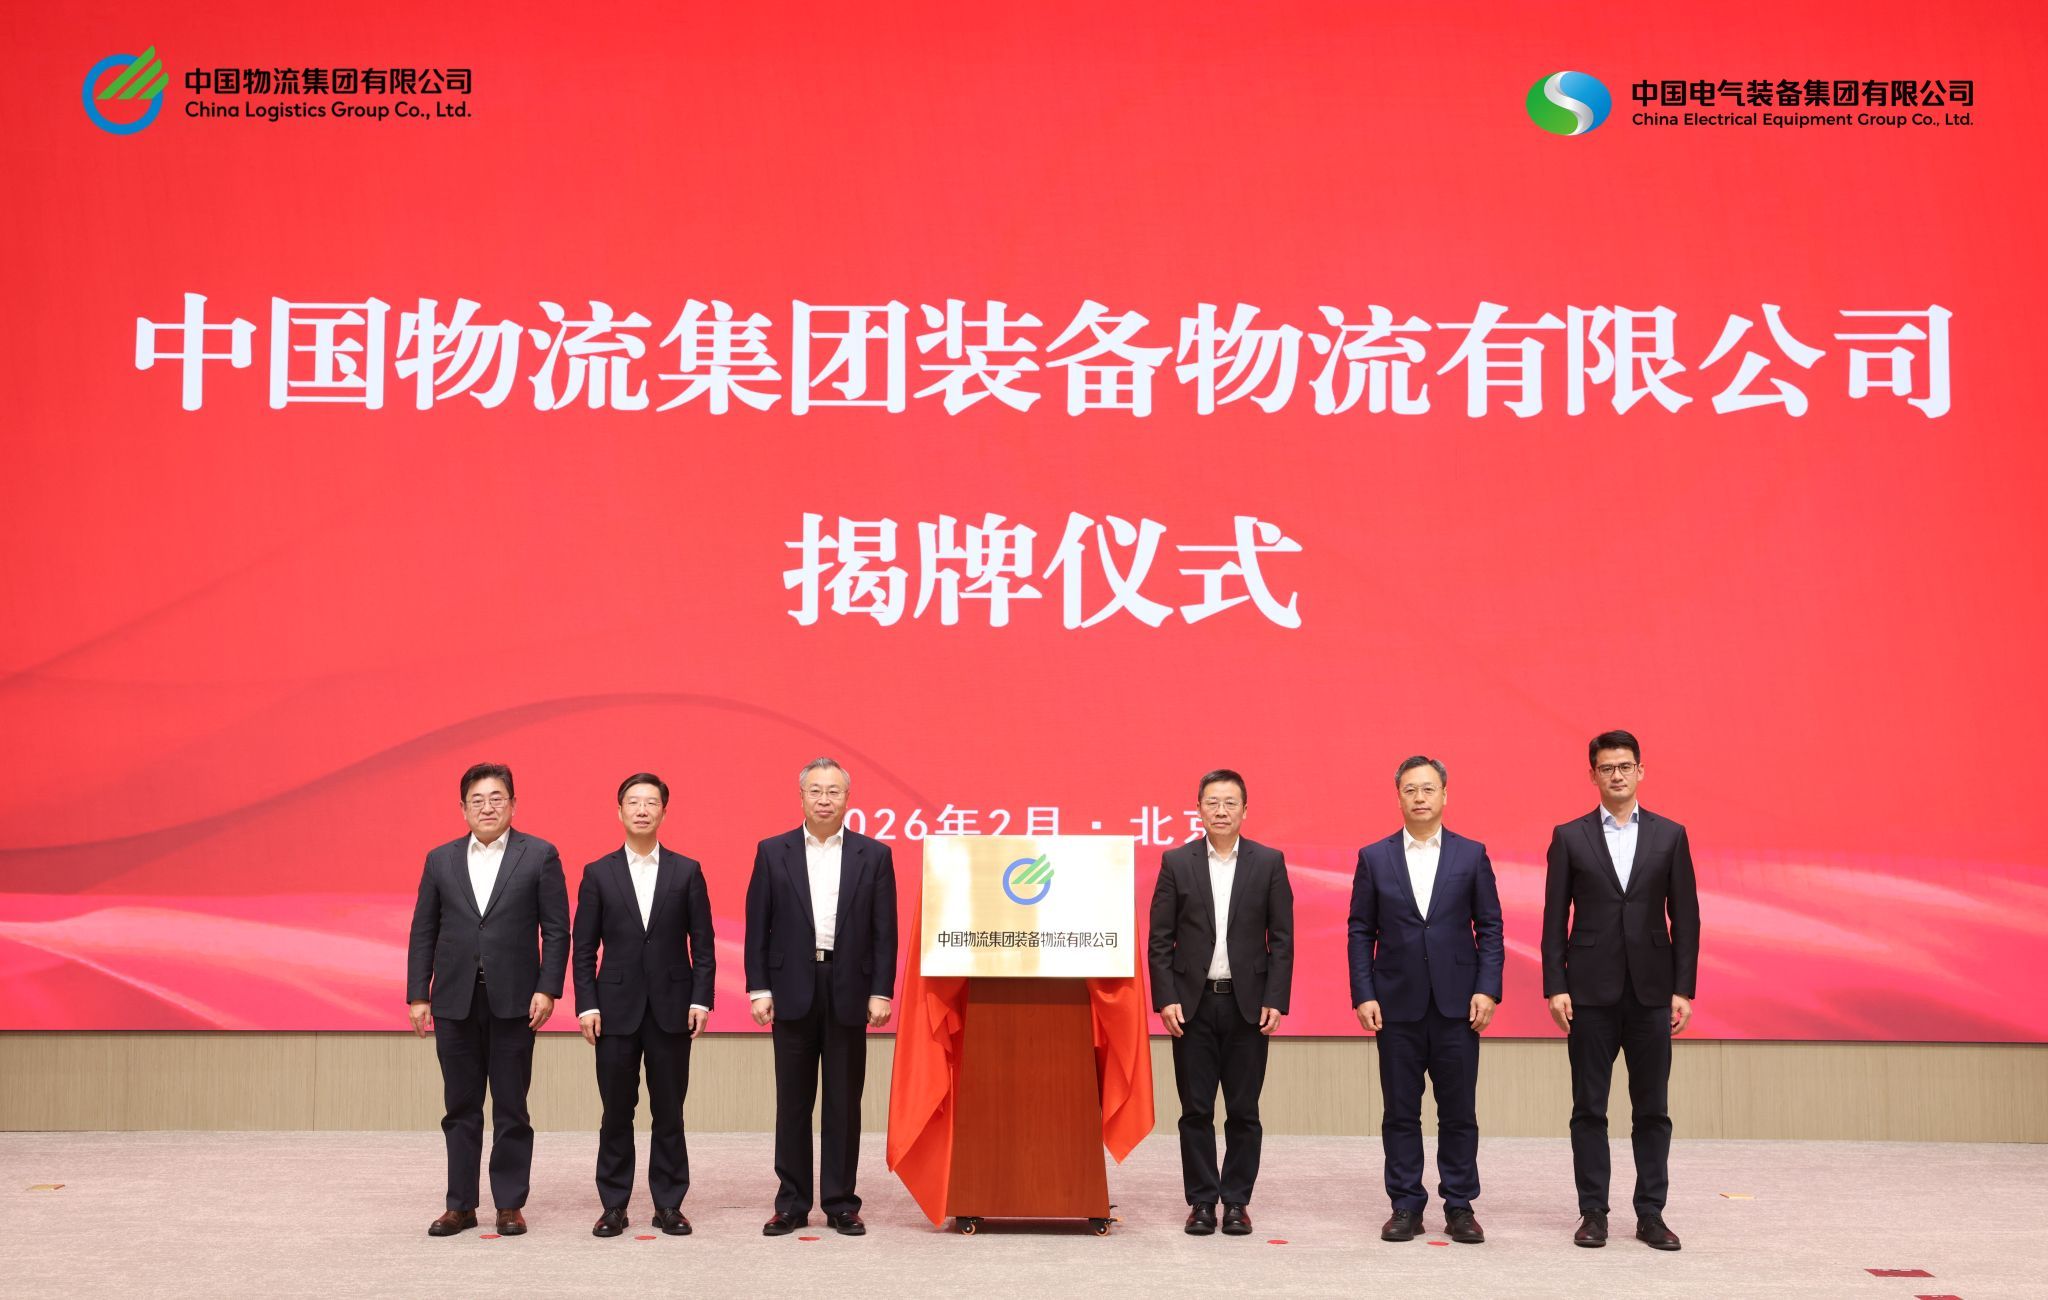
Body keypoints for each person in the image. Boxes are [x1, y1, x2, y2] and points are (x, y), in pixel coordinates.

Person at [1541, 730, 1701, 1251]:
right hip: (1588, 992)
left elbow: (1686, 917)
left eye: (1625, 766)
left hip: (1652, 993)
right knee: (1589, 1107)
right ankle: (1593, 1213)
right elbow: (1553, 919)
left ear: (1640, 771)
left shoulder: (1670, 835)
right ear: (1592, 775)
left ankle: (1651, 1214)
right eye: (1607, 767)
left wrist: (1683, 989)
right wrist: (1556, 985)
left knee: (1652, 1109)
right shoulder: (1570, 836)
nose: (1617, 775)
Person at [406, 762, 569, 1237]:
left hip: (516, 1001)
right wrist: (418, 994)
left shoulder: (539, 855)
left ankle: (509, 1203)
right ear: (462, 809)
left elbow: (556, 930)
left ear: (513, 804)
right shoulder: (440, 860)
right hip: (454, 1000)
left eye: (497, 798)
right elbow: (424, 930)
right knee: (460, 1106)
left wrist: (547, 988)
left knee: (512, 1106)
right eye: (477, 800)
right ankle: (460, 1205)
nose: (487, 807)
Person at [1347, 756, 1504, 1245]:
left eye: (1428, 788)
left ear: (1444, 795)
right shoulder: (1374, 857)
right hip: (1396, 1005)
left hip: (1459, 1006)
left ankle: (1460, 1205)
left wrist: (1487, 988)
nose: (1420, 797)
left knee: (1458, 1112)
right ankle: (1405, 1205)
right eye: (1410, 789)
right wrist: (1364, 993)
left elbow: (1490, 927)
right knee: (1400, 1111)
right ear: (1398, 797)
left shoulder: (1471, 854)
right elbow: (1360, 931)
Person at [745, 757, 898, 1236]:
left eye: (833, 791)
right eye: (816, 791)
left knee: (843, 1102)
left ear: (847, 798)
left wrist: (881, 991)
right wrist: (759, 988)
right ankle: (791, 1203)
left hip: (849, 987)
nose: (824, 799)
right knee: (792, 1102)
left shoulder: (874, 855)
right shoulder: (773, 851)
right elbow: (757, 926)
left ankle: (840, 1202)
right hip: (791, 986)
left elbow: (885, 932)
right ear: (802, 797)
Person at [1147, 768, 1294, 1237]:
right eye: (1212, 802)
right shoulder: (1177, 862)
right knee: (1195, 1110)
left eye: (1231, 802)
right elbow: (1160, 939)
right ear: (1198, 809)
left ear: (1245, 810)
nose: (1221, 810)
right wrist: (1166, 997)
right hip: (1192, 1006)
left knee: (1244, 1110)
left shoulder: (1268, 862)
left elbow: (1282, 939)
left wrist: (1276, 998)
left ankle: (1236, 1202)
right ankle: (1202, 1202)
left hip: (1247, 1006)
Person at [572, 772, 717, 1238]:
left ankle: (669, 1204)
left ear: (663, 812)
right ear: (619, 811)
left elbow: (703, 944)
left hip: (672, 1008)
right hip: (613, 1011)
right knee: (616, 1111)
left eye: (651, 802)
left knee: (669, 1111)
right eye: (633, 802)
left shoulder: (686, 870)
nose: (641, 810)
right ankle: (613, 1205)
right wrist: (587, 1005)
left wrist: (701, 998)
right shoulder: (598, 872)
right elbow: (583, 948)